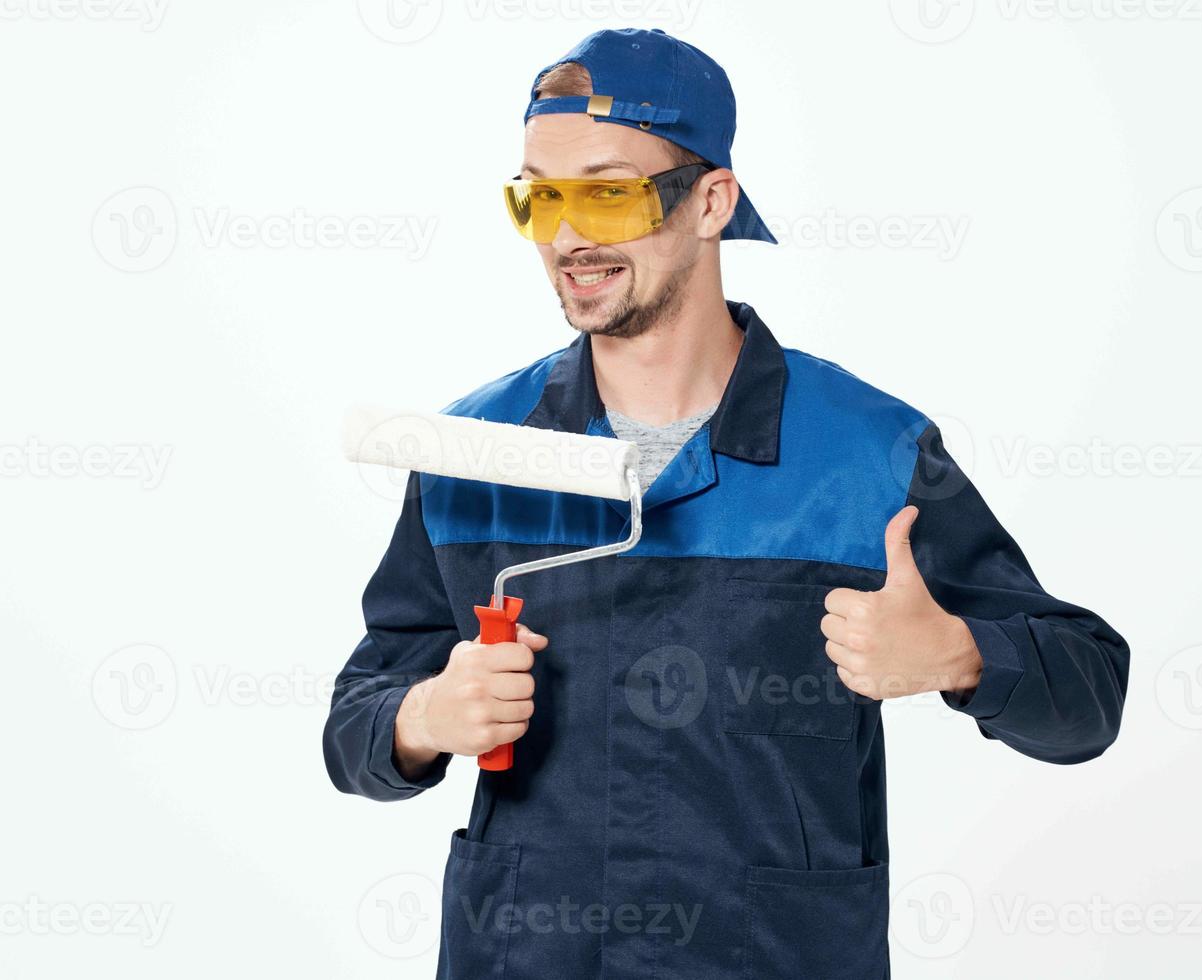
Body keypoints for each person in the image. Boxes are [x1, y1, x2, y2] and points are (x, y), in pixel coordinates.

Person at [324, 27, 1129, 979]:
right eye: (542, 196)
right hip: (529, 956)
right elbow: (355, 725)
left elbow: (1090, 698)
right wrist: (422, 718)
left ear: (712, 201)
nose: (569, 237)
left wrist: (960, 655)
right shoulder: (477, 453)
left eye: (608, 192)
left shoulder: (869, 456)